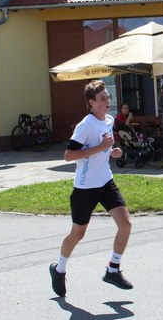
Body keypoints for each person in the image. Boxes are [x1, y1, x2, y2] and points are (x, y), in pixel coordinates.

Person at [49, 80, 133, 298]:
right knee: (78, 234)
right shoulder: (85, 125)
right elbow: (69, 155)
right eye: (102, 98)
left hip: (105, 182)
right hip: (85, 187)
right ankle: (59, 269)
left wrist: (112, 152)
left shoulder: (109, 120)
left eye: (107, 97)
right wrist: (101, 147)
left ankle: (113, 269)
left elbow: (103, 149)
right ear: (91, 103)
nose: (107, 101)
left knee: (125, 224)